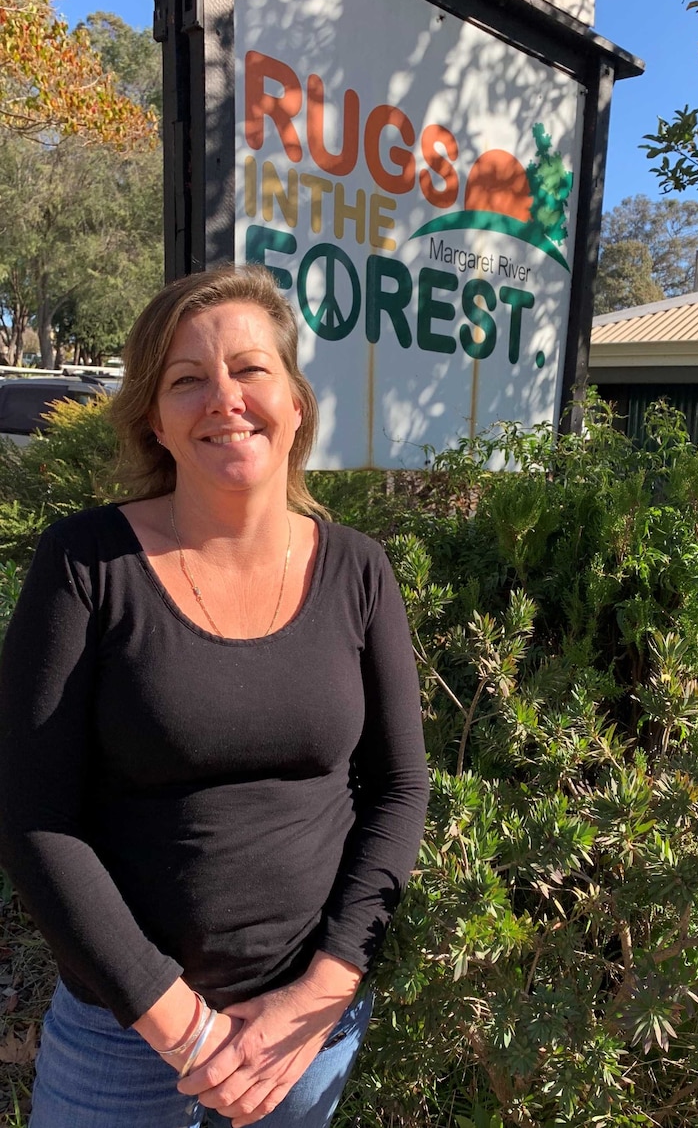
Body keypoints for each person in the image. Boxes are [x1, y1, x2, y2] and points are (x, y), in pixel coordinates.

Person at [0, 265, 429, 1128]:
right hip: (125, 1043)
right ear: (155, 420)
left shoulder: (358, 570)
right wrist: (181, 1026)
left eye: (250, 369)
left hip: (306, 1038)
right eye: (187, 380)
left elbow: (400, 785)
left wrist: (321, 991)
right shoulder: (88, 565)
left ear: (297, 403)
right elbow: (30, 810)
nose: (224, 398)